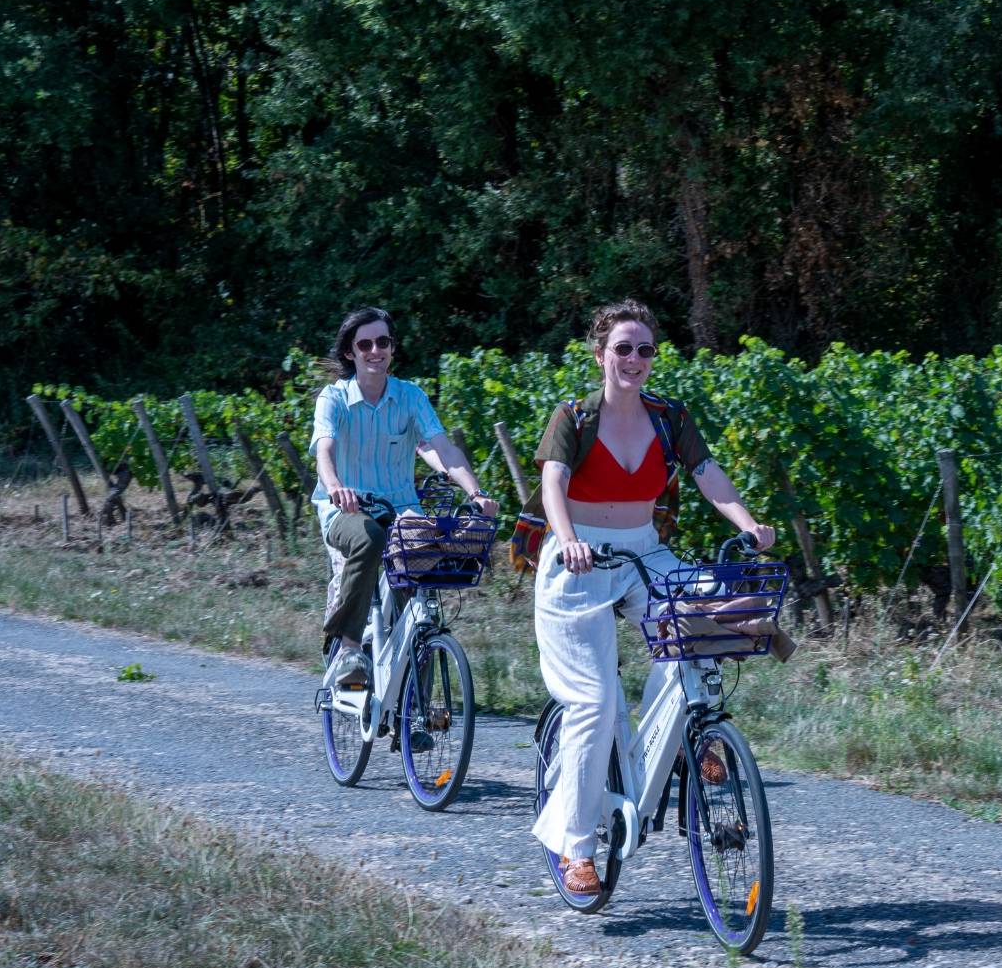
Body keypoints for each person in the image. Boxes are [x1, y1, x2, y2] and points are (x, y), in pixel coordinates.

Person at [532, 299, 776, 898]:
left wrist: (748, 525)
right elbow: (552, 483)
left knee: (711, 613)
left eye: (644, 349)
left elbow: (708, 473)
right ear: (600, 354)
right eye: (622, 348)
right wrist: (567, 542)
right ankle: (579, 848)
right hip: (579, 557)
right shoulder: (573, 415)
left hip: (643, 550)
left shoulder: (669, 417)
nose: (634, 359)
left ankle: (690, 739)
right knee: (592, 703)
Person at [310, 307, 498, 689]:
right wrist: (335, 487)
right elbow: (324, 450)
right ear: (350, 352)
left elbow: (441, 448)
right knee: (369, 538)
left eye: (383, 342)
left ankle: (416, 710)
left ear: (392, 348)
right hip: (347, 509)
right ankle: (347, 646)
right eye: (365, 344)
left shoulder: (410, 397)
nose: (375, 350)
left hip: (402, 511)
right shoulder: (334, 398)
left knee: (423, 582)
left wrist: (476, 493)